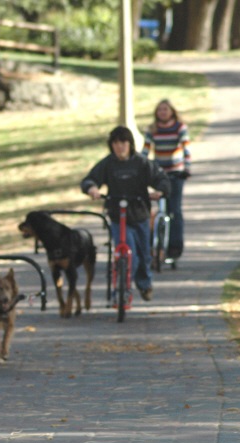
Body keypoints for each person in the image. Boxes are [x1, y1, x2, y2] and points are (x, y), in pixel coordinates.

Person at [81, 126, 170, 301]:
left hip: (140, 214)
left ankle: (145, 284)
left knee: (144, 254)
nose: (119, 146)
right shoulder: (108, 164)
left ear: (130, 144)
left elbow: (162, 179)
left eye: (123, 142)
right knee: (127, 255)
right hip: (117, 216)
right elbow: (90, 179)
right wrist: (92, 189)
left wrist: (159, 191)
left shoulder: (142, 163)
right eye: (115, 143)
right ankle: (121, 290)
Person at [141, 99, 191, 261]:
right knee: (154, 210)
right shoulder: (152, 129)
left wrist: (187, 168)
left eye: (165, 109)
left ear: (172, 111)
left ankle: (175, 246)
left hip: (176, 173)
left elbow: (186, 149)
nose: (162, 112)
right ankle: (153, 243)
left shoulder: (179, 128)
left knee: (174, 209)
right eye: (160, 109)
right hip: (159, 174)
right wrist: (140, 168)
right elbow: (145, 151)